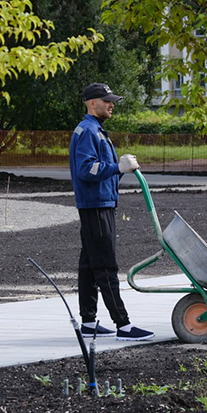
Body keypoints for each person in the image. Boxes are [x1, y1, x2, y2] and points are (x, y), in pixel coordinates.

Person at [69, 83, 154, 341]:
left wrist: (117, 169)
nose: (111, 104)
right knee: (106, 265)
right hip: (96, 206)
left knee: (89, 265)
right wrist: (117, 167)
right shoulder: (89, 133)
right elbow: (87, 170)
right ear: (92, 103)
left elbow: (96, 168)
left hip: (99, 204)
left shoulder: (95, 131)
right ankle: (123, 325)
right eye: (106, 100)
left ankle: (88, 322)